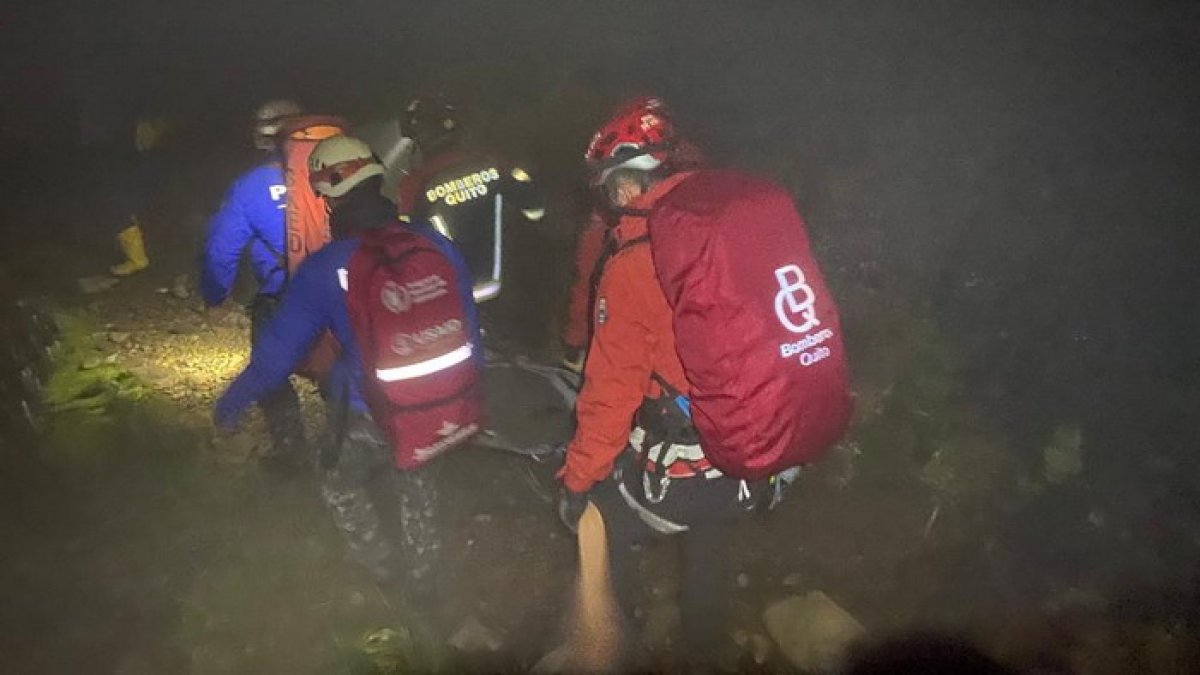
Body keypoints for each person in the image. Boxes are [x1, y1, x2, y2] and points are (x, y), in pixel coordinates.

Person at [214, 136, 480, 595]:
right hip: (452, 406)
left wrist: (230, 407)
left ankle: (377, 570)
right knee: (418, 478)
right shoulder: (437, 245)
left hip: (380, 412)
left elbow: (276, 357)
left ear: (331, 197)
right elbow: (469, 328)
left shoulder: (326, 266)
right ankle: (426, 580)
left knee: (335, 476)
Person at [555, 97, 766, 669]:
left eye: (613, 187)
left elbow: (610, 392)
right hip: (757, 445)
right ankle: (706, 651)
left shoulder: (634, 263)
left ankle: (608, 641)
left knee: (602, 511)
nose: (614, 201)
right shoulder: (736, 225)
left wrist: (578, 479)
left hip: (692, 456)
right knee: (709, 539)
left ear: (631, 180)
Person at [200, 99, 307, 472]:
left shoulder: (251, 186)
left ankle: (290, 448)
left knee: (270, 372)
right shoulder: (335, 171)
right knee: (344, 366)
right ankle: (358, 436)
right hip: (342, 286)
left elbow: (221, 249)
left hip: (284, 296)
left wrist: (216, 297)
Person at [395, 94, 545, 307]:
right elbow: (537, 210)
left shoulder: (414, 185)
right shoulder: (493, 163)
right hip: (513, 295)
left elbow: (406, 245)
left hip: (452, 301)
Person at [108, 116, 171, 276]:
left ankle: (137, 260)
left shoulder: (155, 156)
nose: (141, 135)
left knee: (120, 210)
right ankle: (135, 255)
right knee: (119, 206)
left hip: (152, 192)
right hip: (145, 188)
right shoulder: (141, 154)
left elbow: (146, 184)